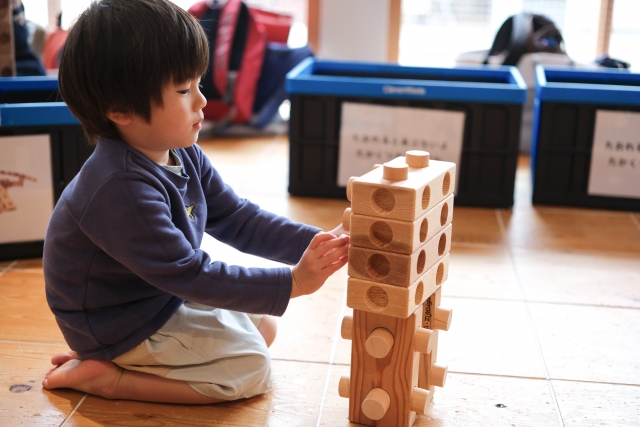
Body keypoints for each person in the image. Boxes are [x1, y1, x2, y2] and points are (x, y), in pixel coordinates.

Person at [41, 0, 349, 404]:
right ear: (120, 110)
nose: (202, 101)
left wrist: (319, 242)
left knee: (265, 329)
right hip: (118, 321)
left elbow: (237, 218)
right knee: (252, 369)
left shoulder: (178, 150)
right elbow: (191, 274)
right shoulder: (120, 189)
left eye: (198, 84)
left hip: (155, 295)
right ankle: (108, 377)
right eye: (184, 90)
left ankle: (119, 362)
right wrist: (292, 283)